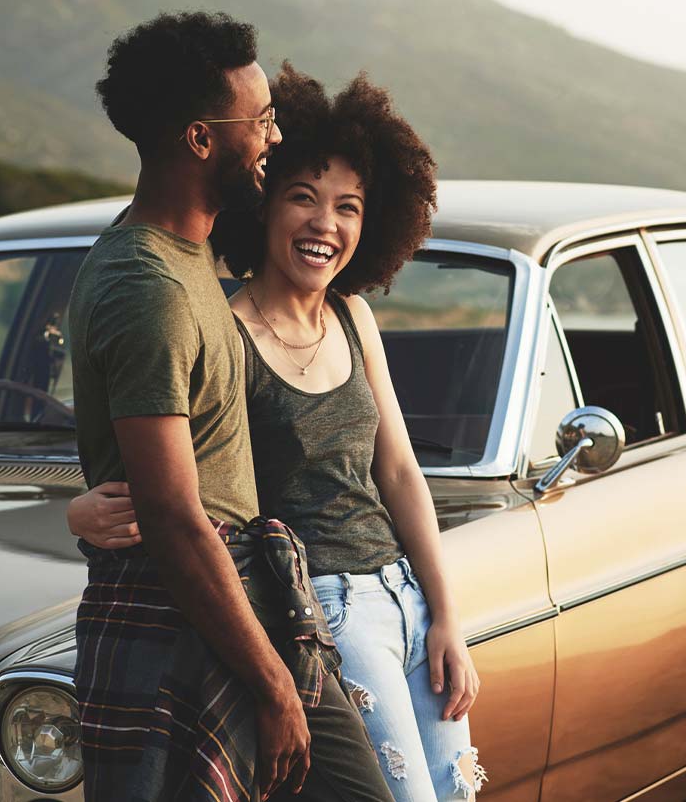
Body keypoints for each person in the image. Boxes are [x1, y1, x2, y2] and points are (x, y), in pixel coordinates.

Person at [70, 63, 486, 801]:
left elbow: (398, 474)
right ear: (263, 207)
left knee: (454, 792)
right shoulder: (221, 324)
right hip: (320, 607)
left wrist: (445, 614)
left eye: (349, 207)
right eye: (303, 198)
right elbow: (173, 479)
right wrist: (80, 512)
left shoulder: (354, 317)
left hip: (402, 594)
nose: (326, 224)